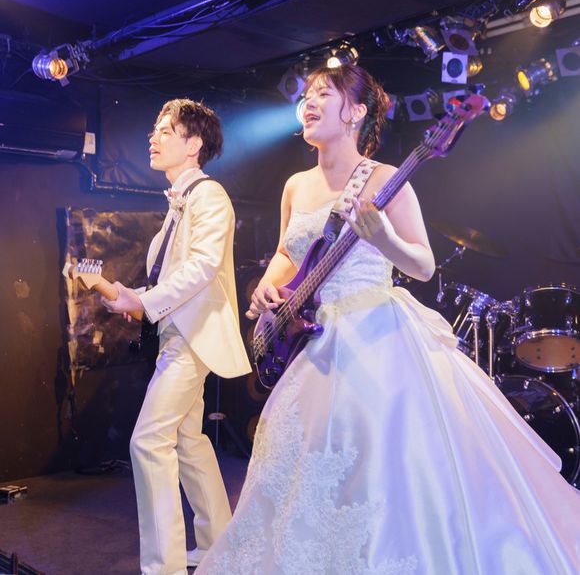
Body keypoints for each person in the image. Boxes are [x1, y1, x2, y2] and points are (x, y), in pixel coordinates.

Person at [196, 65, 580, 574]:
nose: (310, 103)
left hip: (375, 336)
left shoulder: (383, 179)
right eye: (308, 95)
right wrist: (268, 286)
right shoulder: (294, 185)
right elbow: (288, 254)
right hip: (312, 341)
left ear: (356, 112)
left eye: (324, 94)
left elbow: (422, 264)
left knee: (377, 465)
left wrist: (385, 239)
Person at [101, 98, 251, 574]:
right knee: (188, 441)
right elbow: (176, 277)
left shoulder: (209, 196)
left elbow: (203, 268)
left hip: (193, 339)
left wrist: (144, 302)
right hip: (178, 335)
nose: (154, 137)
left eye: (165, 130)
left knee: (148, 442)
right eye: (155, 129)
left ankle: (161, 566)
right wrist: (134, 296)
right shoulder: (179, 203)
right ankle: (217, 546)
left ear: (194, 144)